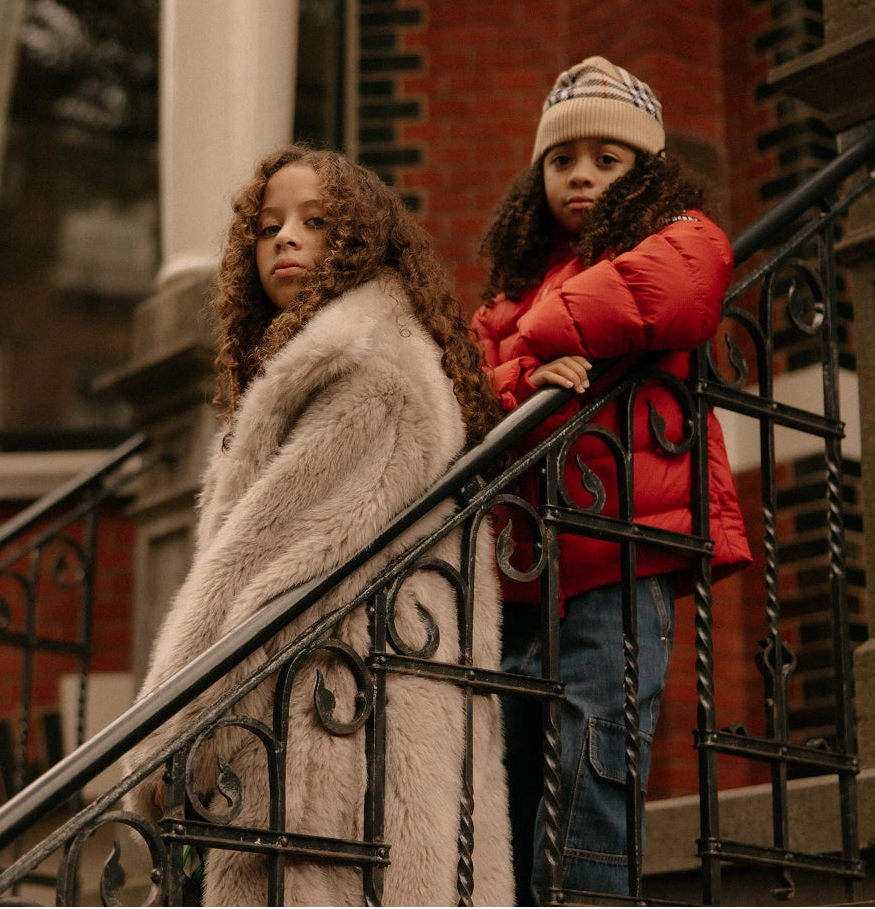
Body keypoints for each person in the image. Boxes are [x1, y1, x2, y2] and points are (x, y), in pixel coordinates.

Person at [122, 144, 515, 907]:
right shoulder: (366, 361)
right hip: (352, 729)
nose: (286, 238)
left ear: (363, 239)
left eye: (315, 220)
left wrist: (162, 750)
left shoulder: (367, 374)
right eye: (267, 227)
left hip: (334, 743)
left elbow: (257, 574)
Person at [469, 56, 753, 904]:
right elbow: (468, 398)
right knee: (512, 770)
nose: (581, 174)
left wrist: (537, 337)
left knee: (595, 752)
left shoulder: (683, 234)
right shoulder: (509, 287)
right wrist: (524, 370)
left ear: (646, 169)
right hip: (522, 572)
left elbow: (677, 287)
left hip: (622, 561)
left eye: (606, 157)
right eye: (561, 160)